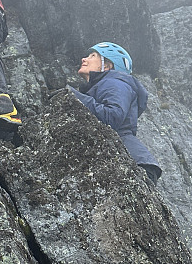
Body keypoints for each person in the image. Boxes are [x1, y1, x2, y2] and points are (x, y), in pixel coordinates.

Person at [69, 42, 162, 185]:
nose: (84, 59)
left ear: (107, 66)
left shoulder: (116, 82)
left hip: (134, 163)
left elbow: (112, 116)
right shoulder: (105, 84)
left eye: (92, 56)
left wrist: (75, 97)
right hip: (131, 160)